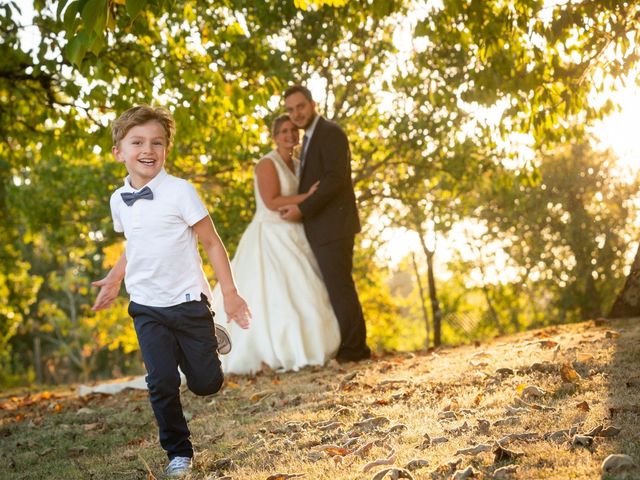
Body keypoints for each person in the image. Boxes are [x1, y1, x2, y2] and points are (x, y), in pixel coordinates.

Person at [91, 105, 251, 478]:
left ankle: (208, 336)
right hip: (146, 306)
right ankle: (178, 453)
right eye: (138, 142)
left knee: (206, 384)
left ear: (166, 150)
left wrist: (229, 292)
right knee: (160, 381)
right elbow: (135, 244)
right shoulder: (119, 200)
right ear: (119, 151)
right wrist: (116, 278)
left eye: (157, 142)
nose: (148, 149)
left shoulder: (180, 192)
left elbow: (211, 243)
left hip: (188, 303)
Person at [211, 114, 341, 374]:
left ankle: (316, 345)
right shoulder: (266, 164)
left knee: (307, 291)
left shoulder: (298, 163)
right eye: (283, 131)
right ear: (274, 136)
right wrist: (310, 196)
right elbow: (271, 201)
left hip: (295, 232)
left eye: (293, 130)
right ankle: (271, 350)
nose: (289, 135)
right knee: (273, 294)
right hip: (270, 235)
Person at [280, 85, 371, 363]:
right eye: (291, 109)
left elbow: (335, 179)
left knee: (340, 286)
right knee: (335, 287)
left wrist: (302, 208)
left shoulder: (331, 133)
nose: (296, 113)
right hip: (322, 228)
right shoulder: (309, 138)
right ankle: (350, 346)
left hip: (334, 226)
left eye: (300, 106)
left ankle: (355, 350)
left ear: (313, 104)